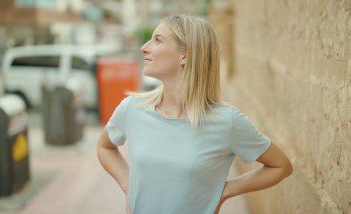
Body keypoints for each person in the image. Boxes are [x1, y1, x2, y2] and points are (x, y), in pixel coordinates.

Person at [97, 15, 293, 214]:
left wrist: (225, 192)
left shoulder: (227, 121)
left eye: (158, 40)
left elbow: (280, 166)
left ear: (185, 55)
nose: (144, 47)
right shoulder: (132, 108)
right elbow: (105, 146)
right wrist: (128, 186)